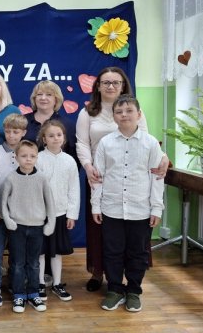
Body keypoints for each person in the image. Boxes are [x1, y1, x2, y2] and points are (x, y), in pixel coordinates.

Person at [76, 66, 168, 292]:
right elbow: (82, 143)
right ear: (98, 86)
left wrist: (163, 156)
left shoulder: (135, 110)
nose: (110, 86)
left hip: (133, 180)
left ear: (123, 85)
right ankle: (99, 273)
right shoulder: (87, 112)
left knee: (133, 236)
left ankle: (131, 280)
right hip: (98, 176)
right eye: (105, 82)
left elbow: (147, 139)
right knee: (101, 232)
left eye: (115, 82)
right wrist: (88, 167)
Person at [91, 95, 164, 312]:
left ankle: (133, 291)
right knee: (112, 251)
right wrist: (96, 205)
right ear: (114, 116)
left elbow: (157, 177)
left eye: (129, 110)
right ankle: (114, 289)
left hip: (140, 208)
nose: (124, 115)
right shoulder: (105, 143)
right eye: (119, 112)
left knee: (138, 252)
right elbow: (98, 177)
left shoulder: (150, 143)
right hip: (111, 207)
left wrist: (156, 207)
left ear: (139, 115)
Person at [0, 140, 56, 314]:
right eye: (24, 156)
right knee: (17, 263)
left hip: (37, 227)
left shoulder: (42, 178)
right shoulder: (11, 178)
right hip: (17, 227)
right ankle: (18, 294)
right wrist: (8, 220)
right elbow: (3, 203)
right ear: (16, 157)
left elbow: (50, 202)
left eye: (32, 156)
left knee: (33, 263)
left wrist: (51, 223)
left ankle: (33, 293)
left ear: (37, 157)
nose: (28, 159)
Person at [0, 114, 27, 307]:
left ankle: (16, 285)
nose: (11, 135)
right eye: (8, 131)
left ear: (23, 133)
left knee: (18, 253)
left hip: (19, 213)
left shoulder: (26, 152)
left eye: (16, 132)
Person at [36, 120, 80, 302]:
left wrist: (71, 214)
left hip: (60, 213)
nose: (55, 138)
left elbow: (74, 189)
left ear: (64, 138)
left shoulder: (69, 161)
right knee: (40, 251)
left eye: (59, 135)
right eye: (51, 135)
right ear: (44, 139)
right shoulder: (38, 158)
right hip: (40, 214)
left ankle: (57, 283)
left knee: (56, 252)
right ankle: (39, 284)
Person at [24, 80, 76, 160]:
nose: (43, 98)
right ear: (34, 98)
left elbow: (73, 156)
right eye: (39, 94)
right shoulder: (23, 121)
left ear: (56, 99)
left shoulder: (67, 125)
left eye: (49, 94)